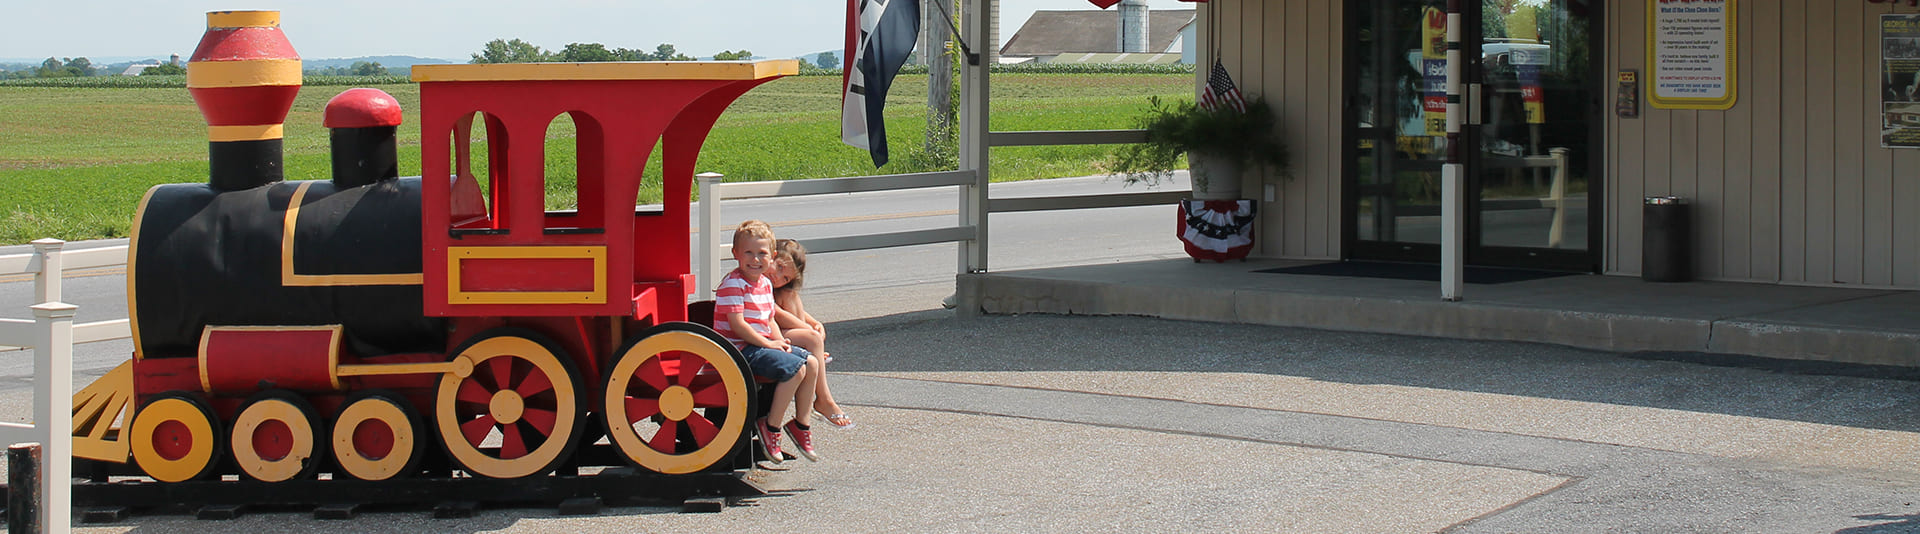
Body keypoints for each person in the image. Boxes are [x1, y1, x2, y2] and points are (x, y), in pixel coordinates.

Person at [713, 220, 821, 462]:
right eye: (748, 253)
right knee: (795, 370)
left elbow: (768, 318)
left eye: (762, 253)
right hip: (738, 351)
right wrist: (769, 344)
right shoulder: (733, 284)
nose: (755, 259)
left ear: (772, 256)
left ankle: (801, 424)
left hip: (759, 346)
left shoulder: (763, 284)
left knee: (811, 363)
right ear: (735, 254)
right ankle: (770, 426)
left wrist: (780, 341)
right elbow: (738, 325)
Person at [770, 239, 855, 429]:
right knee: (812, 337)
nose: (779, 277)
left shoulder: (779, 287)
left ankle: (810, 349)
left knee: (790, 293)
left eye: (785, 277)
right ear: (772, 256)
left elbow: (789, 313)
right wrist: (807, 331)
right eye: (780, 268)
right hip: (768, 333)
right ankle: (824, 399)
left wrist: (813, 322)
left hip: (780, 330)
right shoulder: (759, 281)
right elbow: (776, 313)